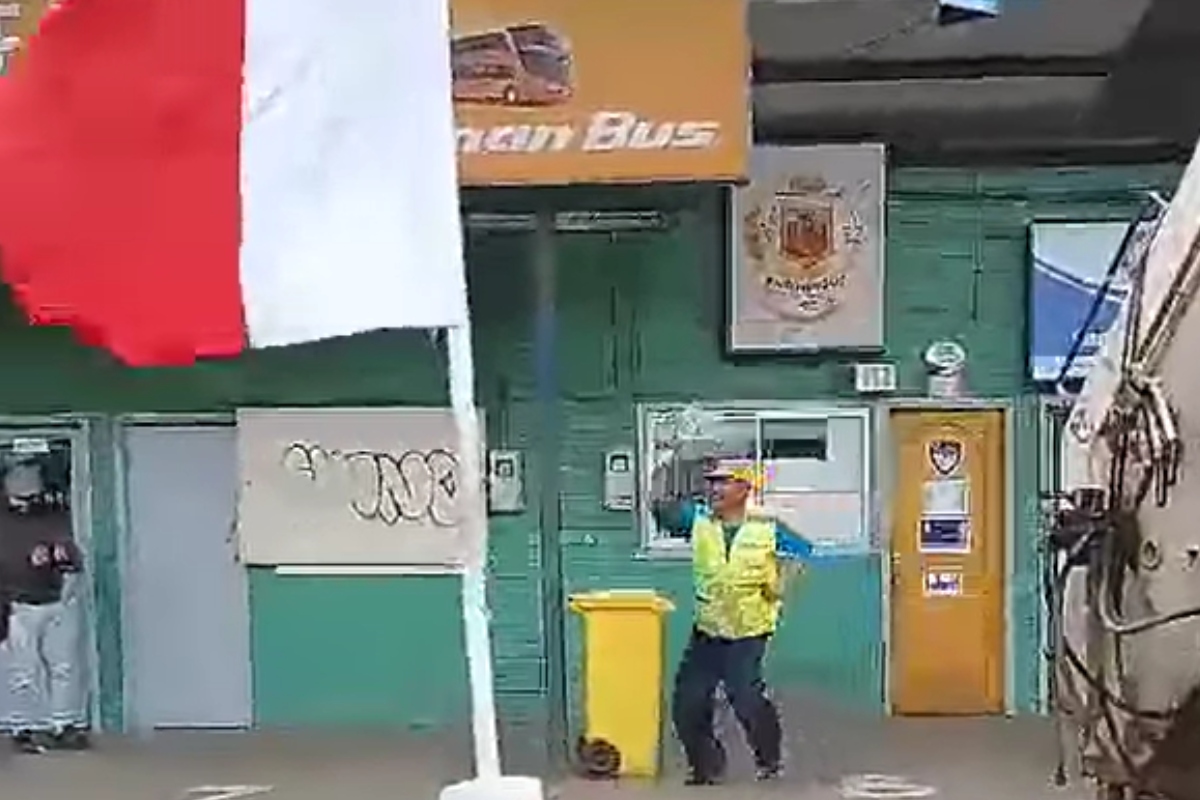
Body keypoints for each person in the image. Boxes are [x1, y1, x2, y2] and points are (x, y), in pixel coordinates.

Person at [652, 462, 814, 785]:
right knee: (688, 702)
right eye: (712, 483)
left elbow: (802, 550)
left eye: (724, 483)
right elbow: (663, 512)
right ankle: (706, 765)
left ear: (745, 489)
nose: (715, 489)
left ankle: (770, 758)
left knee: (746, 696)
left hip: (749, 631)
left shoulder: (766, 527)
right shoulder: (698, 521)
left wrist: (782, 581)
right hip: (708, 631)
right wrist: (664, 472)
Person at [0, 457, 89, 753]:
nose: (29, 488)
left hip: (57, 598)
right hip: (18, 603)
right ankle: (20, 727)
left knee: (63, 666)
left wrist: (65, 577)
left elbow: (73, 559)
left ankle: (63, 725)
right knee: (21, 671)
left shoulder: (53, 513)